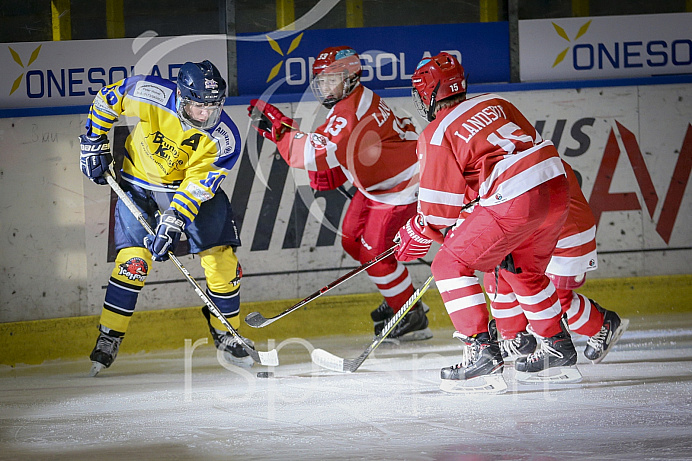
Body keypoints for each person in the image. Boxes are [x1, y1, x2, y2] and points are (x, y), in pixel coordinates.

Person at [394, 52, 578, 393]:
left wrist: (417, 230)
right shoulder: (497, 101)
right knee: (521, 269)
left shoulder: (437, 133)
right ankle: (558, 347)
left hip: (516, 198)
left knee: (448, 264)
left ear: (428, 95)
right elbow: (496, 162)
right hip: (555, 186)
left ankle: (480, 351)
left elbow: (438, 213)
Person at [247, 46, 432, 342]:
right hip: (376, 185)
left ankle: (411, 315)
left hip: (400, 188)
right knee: (351, 240)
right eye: (320, 80)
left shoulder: (350, 111)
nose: (324, 86)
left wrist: (282, 131)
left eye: (330, 79)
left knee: (374, 254)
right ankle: (400, 295)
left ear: (351, 77)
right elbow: (348, 146)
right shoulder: (352, 101)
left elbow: (309, 153)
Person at [79, 60, 251, 375]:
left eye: (213, 106)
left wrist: (173, 220)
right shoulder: (150, 93)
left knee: (222, 261)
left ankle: (228, 332)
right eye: (199, 106)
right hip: (139, 185)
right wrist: (93, 142)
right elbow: (108, 98)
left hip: (188, 193)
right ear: (182, 97)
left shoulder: (226, 138)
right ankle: (109, 335)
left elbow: (198, 187)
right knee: (134, 263)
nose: (206, 114)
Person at [486, 161, 629, 363]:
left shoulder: (530, 158)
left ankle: (602, 324)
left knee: (556, 300)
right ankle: (519, 339)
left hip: (567, 234)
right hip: (534, 235)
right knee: (497, 276)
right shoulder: (495, 160)